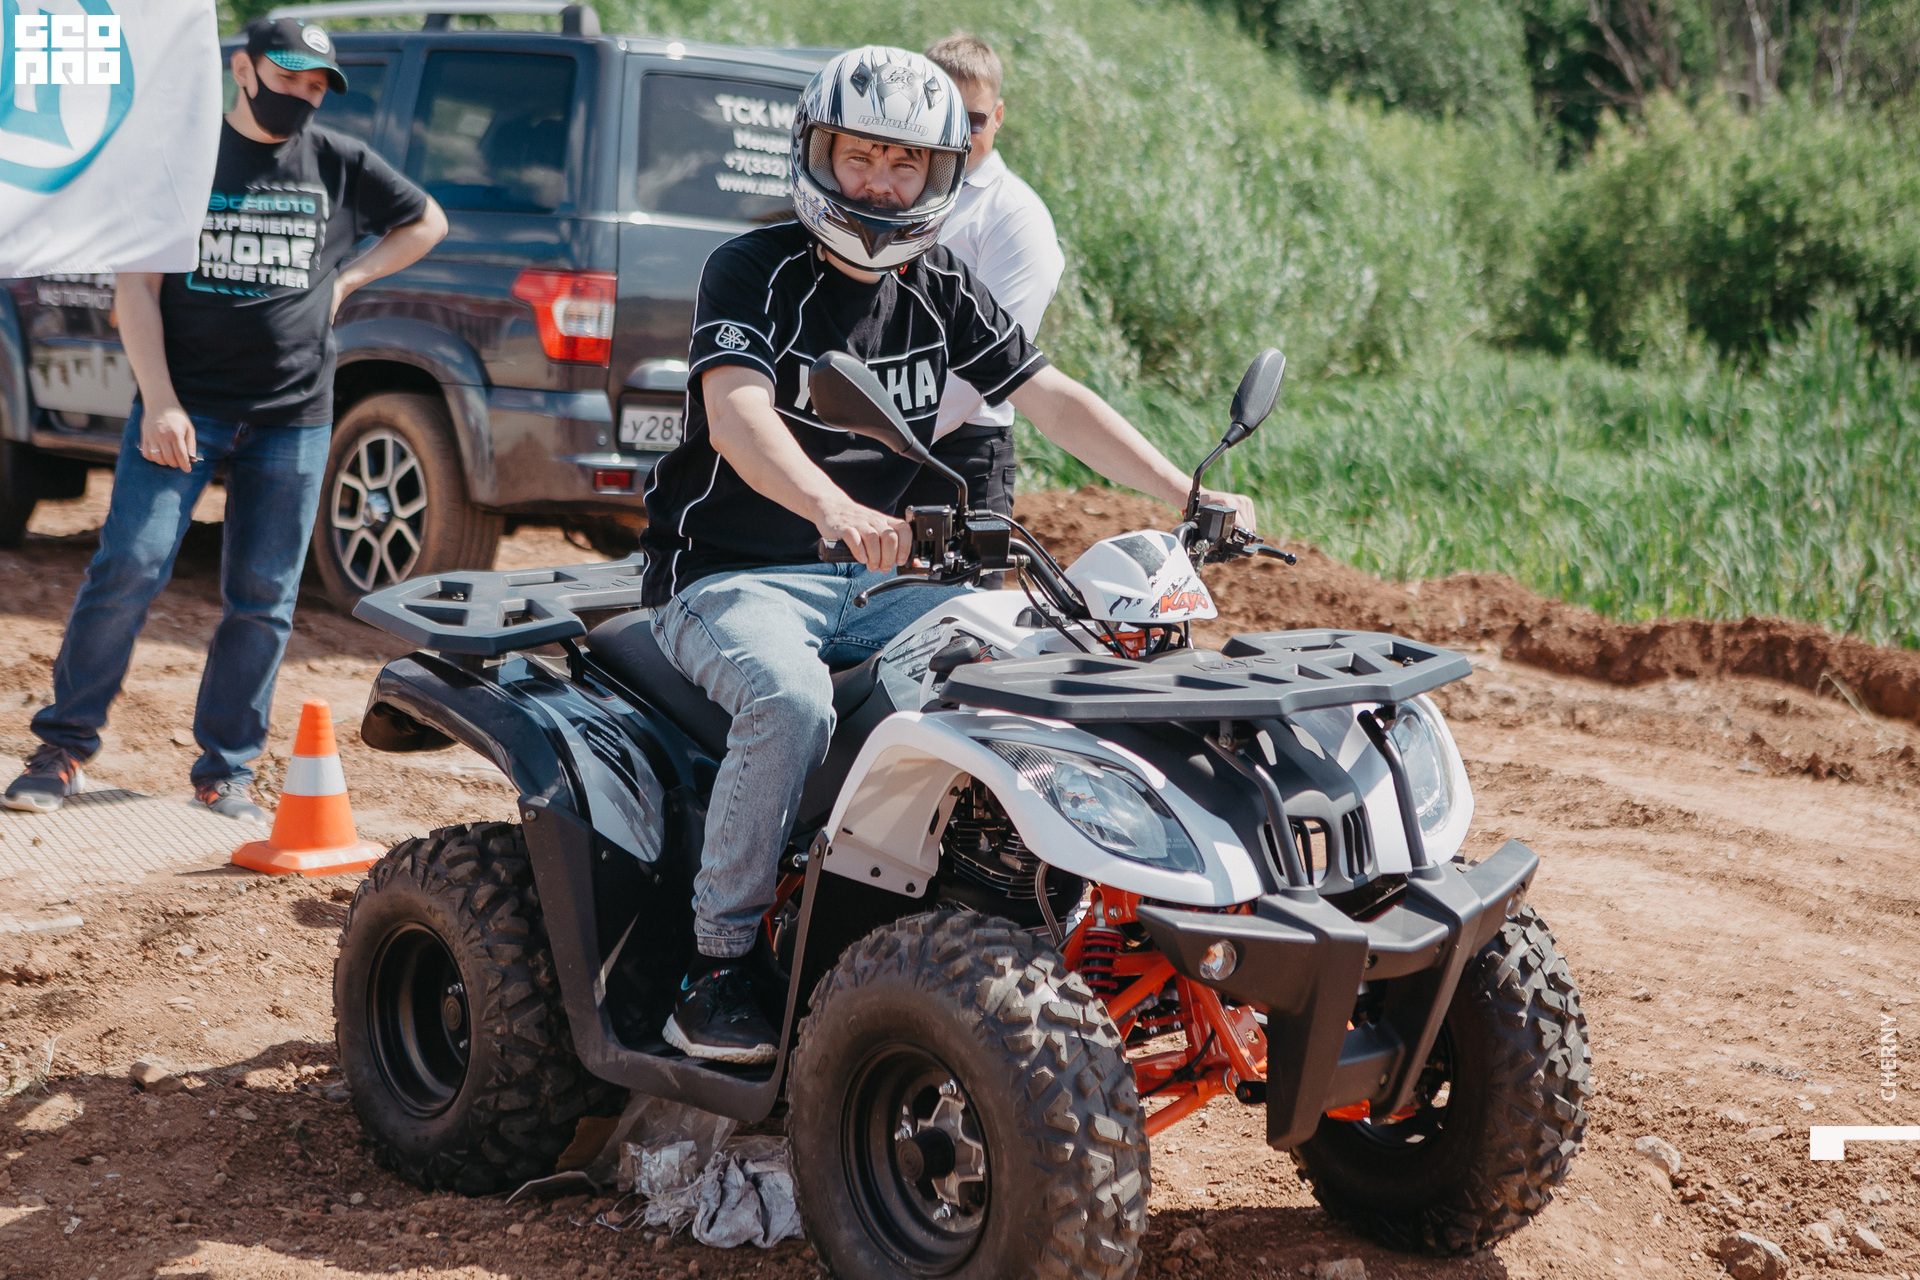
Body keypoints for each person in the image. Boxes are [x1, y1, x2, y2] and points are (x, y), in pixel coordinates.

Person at [634, 46, 1255, 1064]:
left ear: (940, 173)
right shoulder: (749, 268)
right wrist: (833, 506)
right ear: (817, 155)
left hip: (880, 582)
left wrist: (1184, 492)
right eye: (860, 156)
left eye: (905, 163)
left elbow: (1051, 396)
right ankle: (719, 964)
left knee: (1037, 664)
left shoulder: (939, 282)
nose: (881, 182)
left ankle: (1019, 919)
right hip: (732, 574)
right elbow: (739, 417)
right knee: (790, 701)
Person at [3, 18, 447, 817]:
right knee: (129, 567)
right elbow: (135, 289)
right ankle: (62, 749)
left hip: (294, 419)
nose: (302, 96)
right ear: (243, 70)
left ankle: (226, 771)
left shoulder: (338, 161)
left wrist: (349, 281)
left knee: (264, 597)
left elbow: (427, 221)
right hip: (185, 412)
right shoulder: (182, 158)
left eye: (317, 86)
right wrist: (161, 401)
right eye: (289, 78)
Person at [897, 33, 1065, 519]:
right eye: (945, 114)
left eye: (973, 119)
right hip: (888, 438)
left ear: (999, 116)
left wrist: (880, 446)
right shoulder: (899, 194)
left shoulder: (1015, 216)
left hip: (957, 456)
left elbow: (987, 369)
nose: (960, 133)